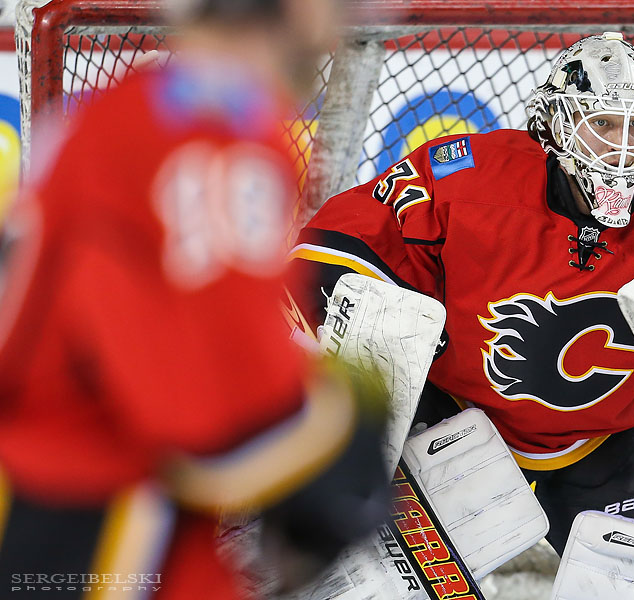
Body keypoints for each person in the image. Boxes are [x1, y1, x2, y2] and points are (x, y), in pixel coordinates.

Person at [287, 32, 634, 555]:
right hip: (453, 417)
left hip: (611, 435)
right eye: (602, 123)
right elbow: (338, 249)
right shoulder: (468, 175)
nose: (622, 146)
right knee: (372, 573)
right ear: (558, 123)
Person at [0, 1, 390, 599]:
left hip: (56, 492)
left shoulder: (133, 104)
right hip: (86, 515)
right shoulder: (216, 137)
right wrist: (336, 435)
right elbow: (215, 421)